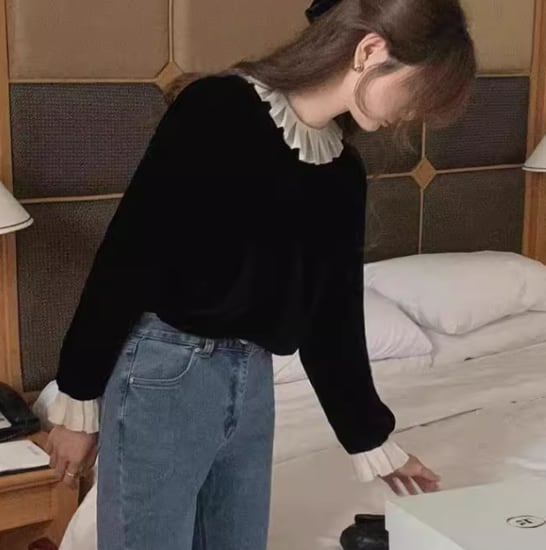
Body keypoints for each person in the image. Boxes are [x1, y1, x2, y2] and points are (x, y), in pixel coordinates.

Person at [45, 0, 476, 548]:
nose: (415, 116)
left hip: (253, 378)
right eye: (419, 93)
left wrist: (372, 439)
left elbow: (332, 320)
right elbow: (127, 256)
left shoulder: (341, 171)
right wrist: (79, 400)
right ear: (371, 50)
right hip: (163, 369)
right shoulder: (219, 108)